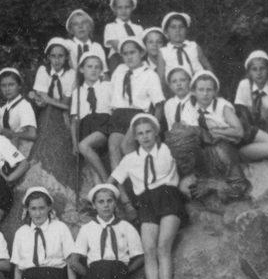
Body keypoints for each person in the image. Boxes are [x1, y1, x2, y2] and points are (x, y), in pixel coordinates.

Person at [110, 114, 186, 279]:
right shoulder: (130, 159)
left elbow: (187, 163)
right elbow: (113, 181)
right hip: (145, 203)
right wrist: (121, 200)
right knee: (149, 250)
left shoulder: (168, 150)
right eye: (140, 133)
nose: (144, 137)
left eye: (148, 132)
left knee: (163, 246)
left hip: (169, 197)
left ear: (156, 132)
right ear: (135, 137)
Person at [187, 70, 268, 198]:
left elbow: (239, 131)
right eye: (201, 90)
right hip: (236, 148)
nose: (205, 94)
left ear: (215, 91)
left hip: (248, 134)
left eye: (209, 90)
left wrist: (217, 132)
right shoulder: (190, 110)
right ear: (193, 91)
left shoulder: (221, 104)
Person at [107, 36, 164, 169]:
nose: (129, 57)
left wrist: (154, 128)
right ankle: (119, 182)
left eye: (132, 52)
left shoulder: (150, 74)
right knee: (113, 146)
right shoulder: (119, 70)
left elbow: (159, 105)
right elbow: (111, 93)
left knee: (126, 145)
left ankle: (141, 177)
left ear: (142, 53)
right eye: (125, 54)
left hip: (138, 116)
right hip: (118, 115)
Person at [72, 52, 115, 183]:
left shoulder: (107, 86)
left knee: (84, 145)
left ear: (101, 70)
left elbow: (115, 109)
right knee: (93, 170)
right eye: (89, 66)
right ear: (81, 69)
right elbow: (74, 120)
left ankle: (107, 182)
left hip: (104, 124)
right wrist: (74, 143)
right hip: (85, 127)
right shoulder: (77, 92)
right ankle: (101, 189)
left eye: (97, 67)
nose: (93, 70)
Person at [233, 50, 268, 134]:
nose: (259, 73)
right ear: (249, 72)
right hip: (248, 130)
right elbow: (241, 112)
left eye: (262, 68)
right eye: (254, 69)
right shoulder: (244, 85)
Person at [0, 69, 39, 149]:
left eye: (11, 85)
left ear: (19, 86)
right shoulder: (3, 109)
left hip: (22, 150)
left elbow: (32, 134)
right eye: (3, 86)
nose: (7, 89)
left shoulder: (24, 106)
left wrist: (12, 134)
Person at [30, 37, 76, 113]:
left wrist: (46, 99)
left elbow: (65, 104)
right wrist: (41, 99)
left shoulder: (71, 74)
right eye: (53, 56)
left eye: (60, 56)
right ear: (48, 57)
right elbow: (41, 99)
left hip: (64, 113)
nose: (57, 60)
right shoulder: (43, 70)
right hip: (45, 112)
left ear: (66, 57)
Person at [159, 11, 212, 77]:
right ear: (166, 32)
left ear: (186, 30)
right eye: (173, 27)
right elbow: (161, 77)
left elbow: (207, 66)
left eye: (181, 27)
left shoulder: (194, 46)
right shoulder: (163, 52)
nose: (178, 30)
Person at [103, 0, 144, 70]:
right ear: (114, 9)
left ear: (132, 8)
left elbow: (142, 47)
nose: (123, 11)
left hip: (137, 60)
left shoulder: (138, 28)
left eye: (127, 7)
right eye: (120, 7)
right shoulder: (111, 27)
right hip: (118, 60)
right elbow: (117, 46)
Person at [161, 66, 193, 135]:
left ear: (189, 82)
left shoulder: (195, 100)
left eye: (182, 80)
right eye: (174, 81)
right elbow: (170, 128)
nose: (178, 84)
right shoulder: (169, 104)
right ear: (170, 86)